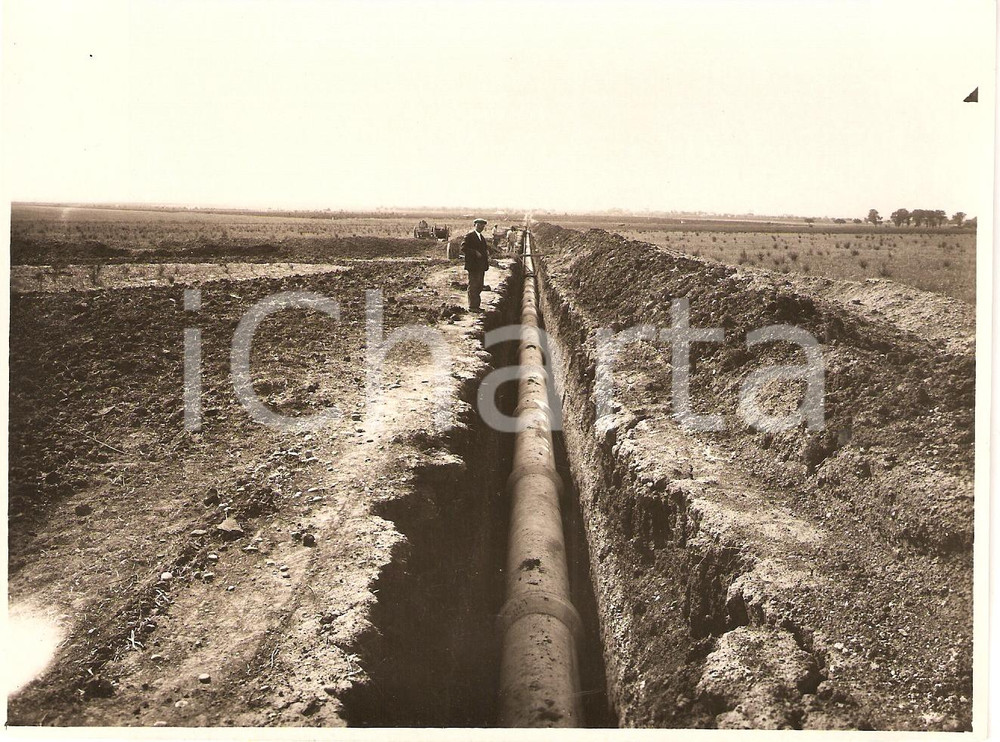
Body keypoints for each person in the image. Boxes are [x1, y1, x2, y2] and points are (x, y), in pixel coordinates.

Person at [459, 218, 490, 311]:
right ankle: (472, 306)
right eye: (479, 225)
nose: (481, 227)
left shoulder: (481, 237)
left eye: (483, 225)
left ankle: (476, 305)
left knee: (479, 285)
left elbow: (484, 249)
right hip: (473, 266)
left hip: (480, 266)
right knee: (473, 285)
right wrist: (474, 252)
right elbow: (463, 248)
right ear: (474, 225)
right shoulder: (469, 236)